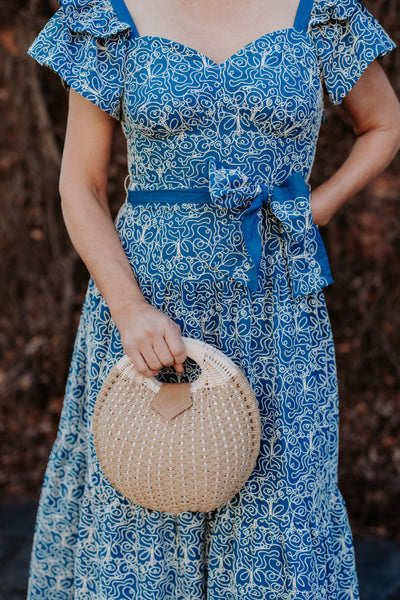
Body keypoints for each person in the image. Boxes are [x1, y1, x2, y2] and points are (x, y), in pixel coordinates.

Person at [27, 0, 400, 598]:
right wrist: (128, 308)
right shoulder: (107, 16)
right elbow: (81, 184)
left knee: (278, 512)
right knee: (147, 494)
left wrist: (319, 206)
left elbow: (384, 122)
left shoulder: (325, 11)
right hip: (148, 304)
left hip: (275, 305)